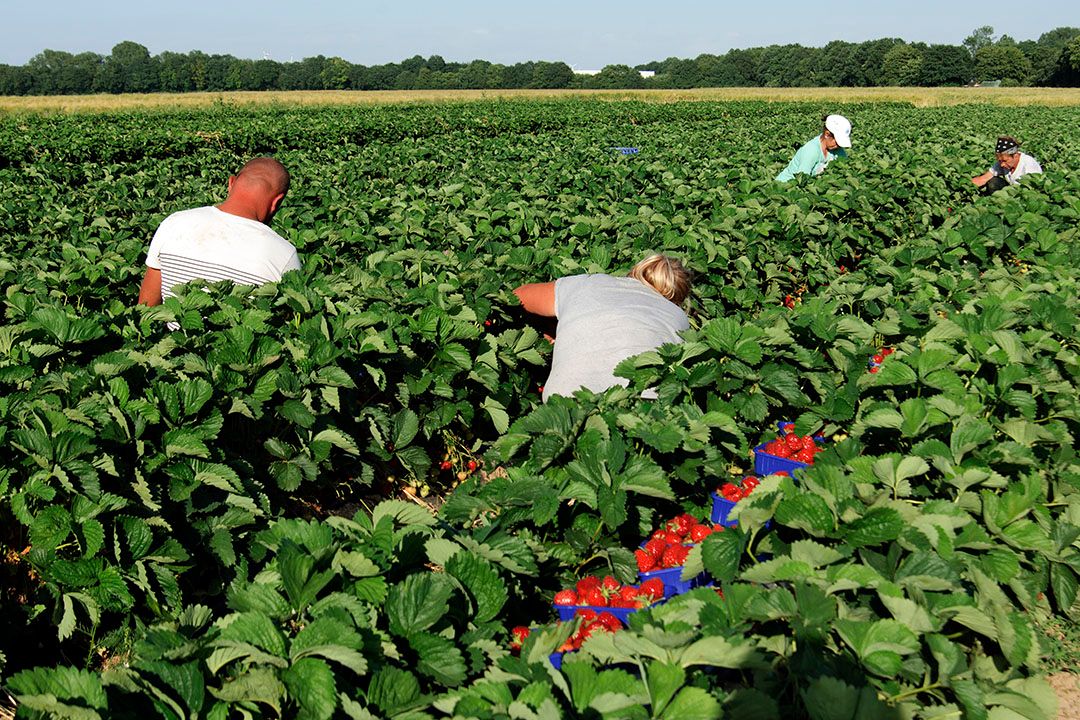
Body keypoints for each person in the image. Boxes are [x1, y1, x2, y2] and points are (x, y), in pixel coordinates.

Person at [513, 254, 691, 402]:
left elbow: (518, 296)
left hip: (564, 403)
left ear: (635, 272)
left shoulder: (587, 283)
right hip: (648, 407)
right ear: (677, 300)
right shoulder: (679, 318)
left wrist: (555, 328)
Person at [137, 156, 300, 307]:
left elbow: (146, 307)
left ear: (230, 183)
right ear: (276, 202)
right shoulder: (285, 255)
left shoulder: (174, 223)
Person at [776, 114, 852, 183]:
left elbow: (845, 168)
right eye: (837, 141)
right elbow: (801, 180)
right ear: (827, 135)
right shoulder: (811, 150)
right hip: (786, 185)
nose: (838, 145)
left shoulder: (838, 150)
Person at [971, 136, 1042, 193]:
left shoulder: (1029, 165)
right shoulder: (1001, 163)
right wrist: (966, 185)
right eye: (1000, 161)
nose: (1002, 165)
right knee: (994, 182)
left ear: (1015, 156)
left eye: (1005, 161)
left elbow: (1034, 190)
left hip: (1027, 194)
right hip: (1013, 192)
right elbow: (983, 179)